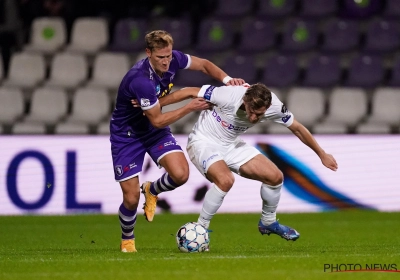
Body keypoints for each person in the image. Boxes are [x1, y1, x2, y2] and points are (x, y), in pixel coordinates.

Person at [110, 30, 245, 253]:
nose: (166, 62)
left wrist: (228, 80)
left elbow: (203, 65)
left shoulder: (174, 59)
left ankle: (152, 190)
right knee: (131, 198)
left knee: (181, 174)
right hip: (128, 135)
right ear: (148, 53)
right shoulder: (140, 80)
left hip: (153, 130)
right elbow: (158, 120)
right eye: (160, 57)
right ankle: (127, 239)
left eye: (168, 56)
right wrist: (189, 106)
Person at [156, 83, 338, 246]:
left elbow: (297, 128)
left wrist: (321, 154)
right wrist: (156, 105)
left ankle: (268, 222)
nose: (254, 118)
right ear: (245, 100)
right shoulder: (227, 95)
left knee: (275, 177)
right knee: (225, 180)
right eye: (252, 111)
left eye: (260, 114)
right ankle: (201, 228)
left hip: (232, 145)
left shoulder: (274, 106)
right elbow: (189, 92)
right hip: (203, 142)